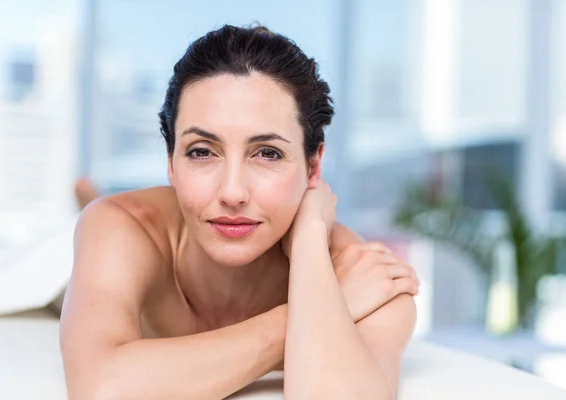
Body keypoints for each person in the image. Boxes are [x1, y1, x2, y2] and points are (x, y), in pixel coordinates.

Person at [60, 24, 419, 399]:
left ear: (313, 167)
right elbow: (100, 389)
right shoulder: (125, 226)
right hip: (118, 245)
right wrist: (310, 314)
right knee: (80, 241)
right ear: (170, 163)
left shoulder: (366, 275)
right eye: (202, 151)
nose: (232, 192)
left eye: (268, 153)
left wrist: (311, 228)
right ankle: (86, 201)